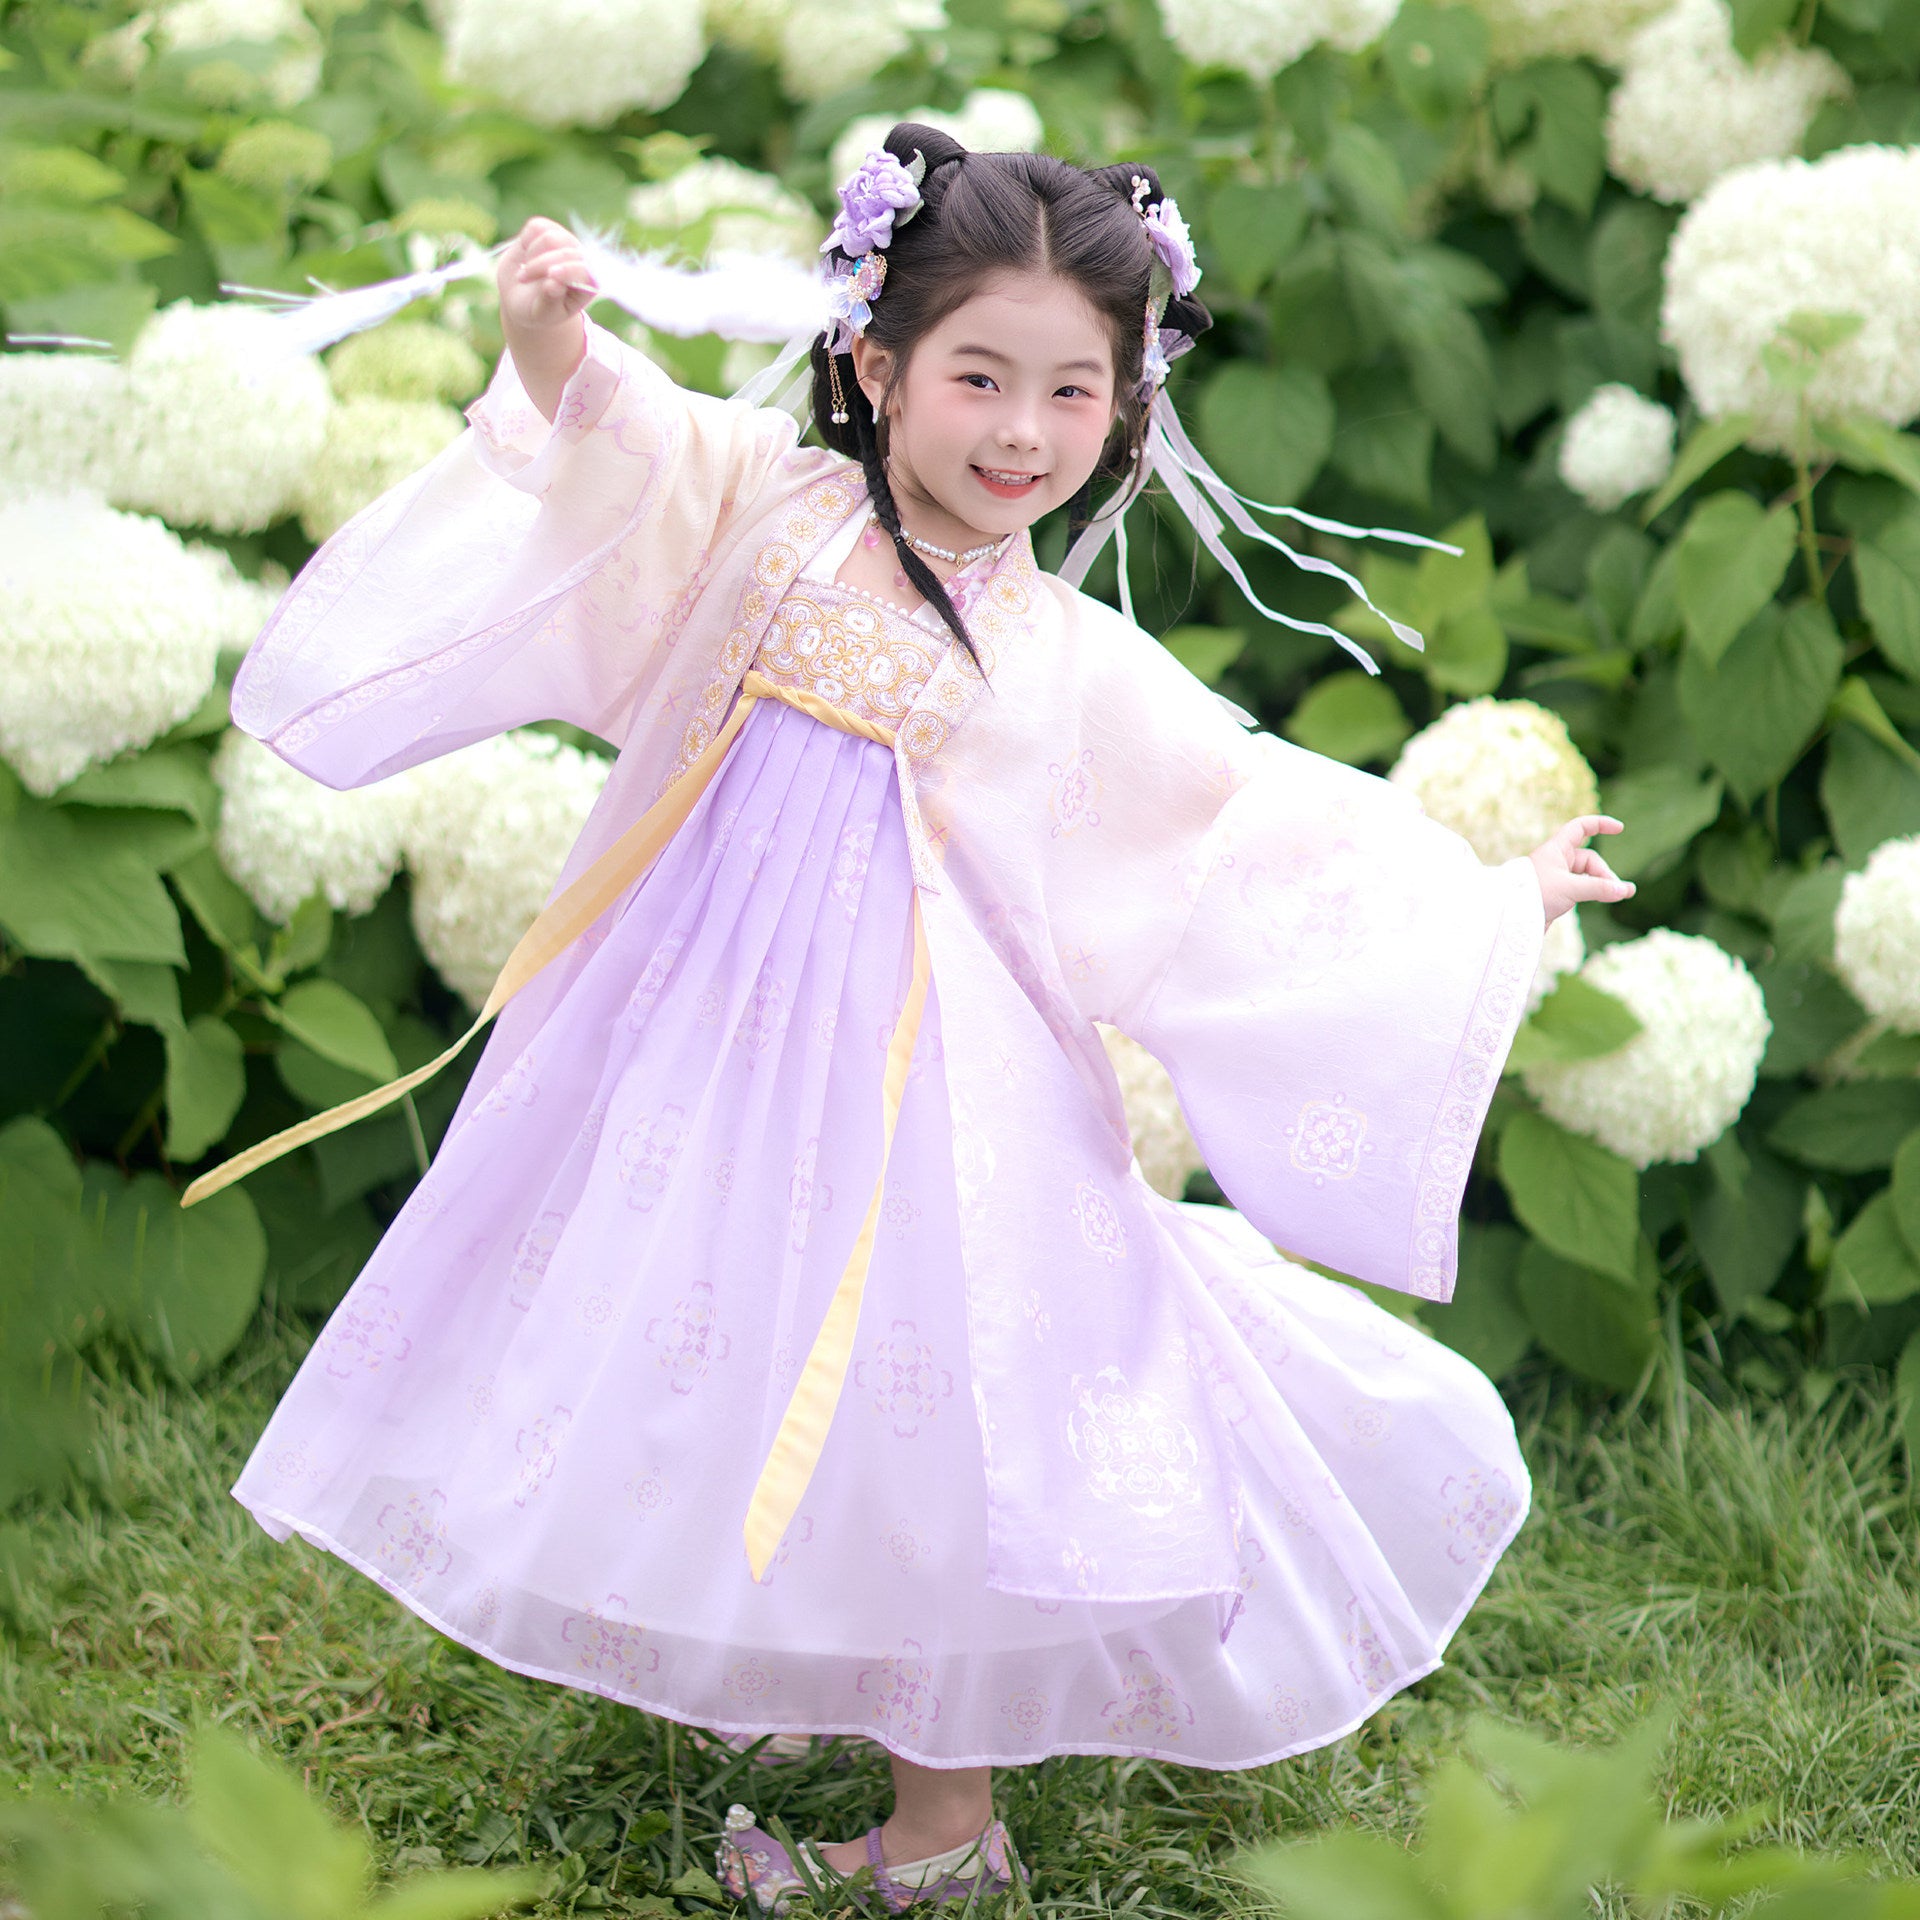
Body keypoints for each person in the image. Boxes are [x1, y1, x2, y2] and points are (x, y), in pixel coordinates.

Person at [216, 126, 1633, 1913]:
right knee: (714, 1326)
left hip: (928, 1109)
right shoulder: (772, 510)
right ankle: (779, 1638)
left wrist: (1485, 898)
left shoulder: (1060, 662)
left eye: (1071, 390)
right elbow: (622, 454)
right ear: (875, 361)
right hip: (710, 1048)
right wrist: (548, 347)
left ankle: (943, 1825)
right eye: (977, 376)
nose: (1021, 431)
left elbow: (1238, 834)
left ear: (1123, 410)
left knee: (933, 1407)